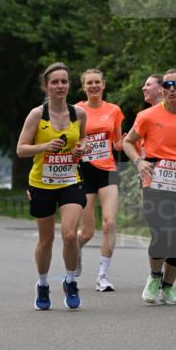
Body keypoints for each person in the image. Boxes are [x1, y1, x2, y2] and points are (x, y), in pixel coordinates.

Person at [122, 68, 176, 305]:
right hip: (155, 177)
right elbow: (128, 142)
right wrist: (138, 161)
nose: (173, 89)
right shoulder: (148, 116)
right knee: (161, 232)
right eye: (168, 85)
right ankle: (154, 278)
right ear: (162, 90)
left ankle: (169, 287)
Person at [16, 62, 87, 310]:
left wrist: (82, 149)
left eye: (64, 81)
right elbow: (21, 149)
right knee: (46, 239)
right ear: (46, 86)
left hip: (71, 181)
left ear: (69, 84)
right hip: (42, 183)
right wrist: (44, 147)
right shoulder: (37, 115)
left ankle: (70, 281)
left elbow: (83, 141)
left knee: (69, 235)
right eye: (55, 82)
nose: (60, 86)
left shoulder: (79, 113)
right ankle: (43, 284)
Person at [75, 69, 124, 291]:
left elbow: (118, 142)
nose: (94, 86)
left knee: (109, 223)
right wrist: (79, 147)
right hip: (84, 172)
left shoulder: (114, 110)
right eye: (89, 83)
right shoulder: (76, 110)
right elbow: (69, 141)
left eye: (97, 82)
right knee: (87, 232)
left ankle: (102, 276)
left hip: (107, 171)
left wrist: (133, 143)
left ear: (104, 85)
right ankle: (74, 251)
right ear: (84, 86)